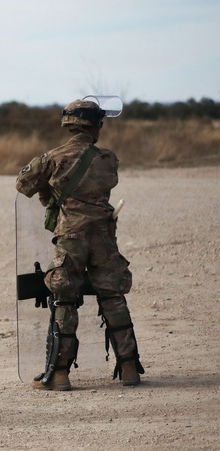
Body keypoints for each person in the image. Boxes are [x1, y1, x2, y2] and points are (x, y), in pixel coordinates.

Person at [15, 99, 144, 391]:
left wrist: (50, 189)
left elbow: (23, 184)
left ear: (69, 124)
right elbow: (105, 183)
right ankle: (129, 368)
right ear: (95, 125)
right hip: (103, 238)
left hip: (70, 238)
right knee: (112, 296)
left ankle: (59, 374)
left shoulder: (51, 158)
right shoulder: (108, 159)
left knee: (64, 297)